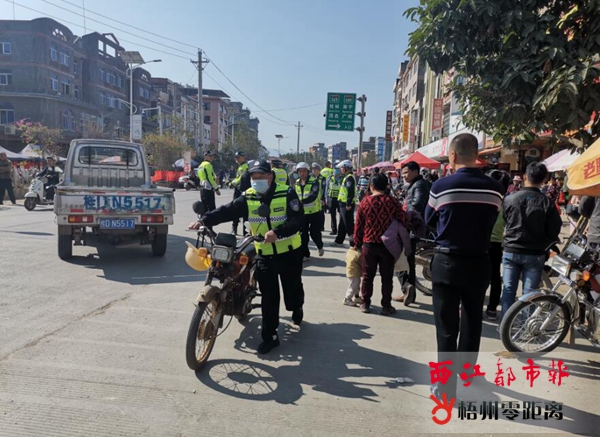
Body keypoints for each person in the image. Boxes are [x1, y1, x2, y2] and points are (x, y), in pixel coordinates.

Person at [425, 133, 504, 403]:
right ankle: (467, 371)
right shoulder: (495, 188)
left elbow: (430, 219)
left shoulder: (441, 186)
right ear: (477, 155)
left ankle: (445, 391)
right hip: (480, 260)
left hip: (447, 261)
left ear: (453, 155)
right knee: (473, 320)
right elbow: (492, 218)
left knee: (446, 326)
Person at [199, 160, 305, 354]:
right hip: (264, 254)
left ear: (270, 177)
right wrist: (204, 220)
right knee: (269, 298)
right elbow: (228, 210)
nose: (257, 181)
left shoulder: (287, 192)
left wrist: (277, 232)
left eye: (261, 177)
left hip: (289, 252)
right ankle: (270, 337)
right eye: (254, 177)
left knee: (292, 291)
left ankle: (297, 307)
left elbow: (298, 220)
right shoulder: (248, 196)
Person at [501, 162, 562, 317]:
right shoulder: (547, 203)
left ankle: (505, 325)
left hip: (511, 249)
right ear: (544, 180)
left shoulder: (510, 199)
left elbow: (506, 220)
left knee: (508, 289)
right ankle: (524, 328)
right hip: (535, 252)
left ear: (525, 177)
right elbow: (554, 229)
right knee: (530, 294)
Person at [354, 173, 406, 315]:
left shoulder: (365, 202)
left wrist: (357, 243)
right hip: (387, 245)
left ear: (371, 186)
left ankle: (365, 303)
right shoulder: (393, 202)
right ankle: (386, 305)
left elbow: (358, 225)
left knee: (367, 276)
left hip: (369, 244)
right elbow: (403, 219)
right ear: (387, 186)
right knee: (387, 277)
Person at [395, 161, 430, 305]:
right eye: (402, 173)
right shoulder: (413, 185)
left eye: (406, 172)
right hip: (408, 226)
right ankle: (408, 291)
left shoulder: (420, 185)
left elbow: (417, 205)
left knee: (399, 258)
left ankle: (407, 288)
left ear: (416, 172)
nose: (404, 175)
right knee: (406, 260)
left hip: (412, 228)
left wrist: (404, 216)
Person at [485, 169, 511, 321]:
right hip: (496, 243)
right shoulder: (507, 201)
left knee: (478, 275)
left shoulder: (484, 198)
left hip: (482, 242)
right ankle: (492, 309)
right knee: (494, 277)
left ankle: (473, 306)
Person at [294, 162, 325, 259]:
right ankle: (305, 254)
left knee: (314, 233)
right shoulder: (296, 183)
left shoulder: (314, 181)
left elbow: (313, 195)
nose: (301, 173)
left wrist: (301, 202)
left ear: (308, 172)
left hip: (315, 213)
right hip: (303, 214)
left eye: (303, 171)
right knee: (303, 235)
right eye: (299, 171)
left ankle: (320, 246)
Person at [334, 160, 357, 246]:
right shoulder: (347, 177)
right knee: (342, 223)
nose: (341, 169)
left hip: (346, 204)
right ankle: (339, 240)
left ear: (347, 168)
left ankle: (354, 242)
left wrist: (348, 204)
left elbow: (350, 192)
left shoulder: (349, 178)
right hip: (343, 204)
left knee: (348, 224)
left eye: (342, 168)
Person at [230, 151, 249, 235]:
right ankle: (237, 229)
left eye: (238, 157)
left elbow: (240, 178)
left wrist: (231, 183)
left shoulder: (244, 167)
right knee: (240, 211)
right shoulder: (241, 166)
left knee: (237, 209)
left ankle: (241, 230)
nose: (236, 159)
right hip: (240, 190)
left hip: (241, 191)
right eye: (235, 157)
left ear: (243, 157)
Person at [343, 239, 363, 307]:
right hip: (354, 273)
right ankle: (347, 299)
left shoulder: (349, 251)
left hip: (351, 272)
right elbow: (362, 263)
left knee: (356, 285)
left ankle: (356, 297)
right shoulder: (357, 254)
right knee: (353, 286)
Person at [326, 167, 342, 235]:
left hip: (340, 199)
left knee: (341, 215)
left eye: (338, 169)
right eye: (335, 169)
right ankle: (334, 230)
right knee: (333, 215)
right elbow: (326, 189)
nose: (337, 171)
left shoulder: (342, 178)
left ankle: (341, 229)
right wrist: (326, 198)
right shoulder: (329, 178)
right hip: (331, 199)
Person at [311, 163, 327, 232]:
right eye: (313, 169)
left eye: (315, 169)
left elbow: (324, 189)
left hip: (320, 198)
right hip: (313, 199)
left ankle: (321, 226)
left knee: (321, 213)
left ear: (319, 170)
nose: (314, 171)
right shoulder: (311, 178)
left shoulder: (322, 178)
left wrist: (323, 199)